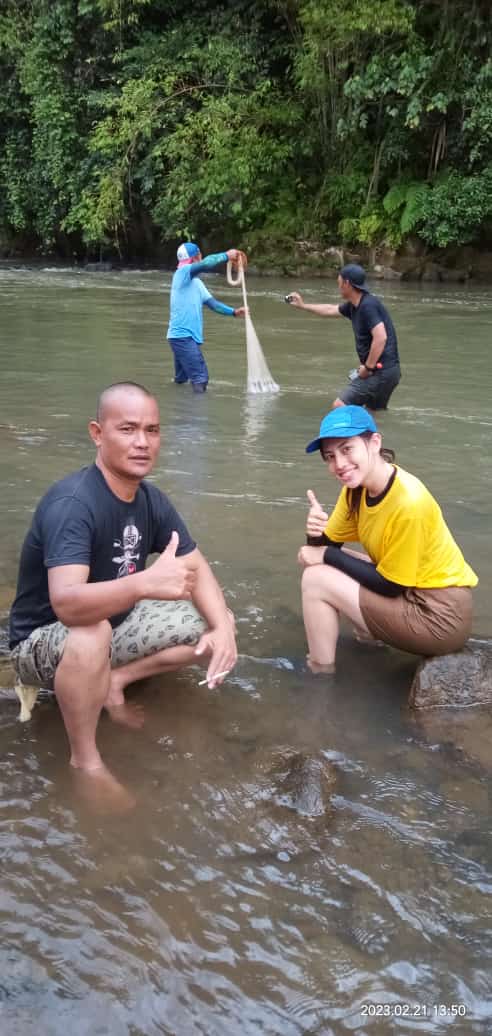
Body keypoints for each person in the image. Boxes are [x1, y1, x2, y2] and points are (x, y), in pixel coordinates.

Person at [9, 382, 237, 798]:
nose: (142, 442)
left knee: (215, 618)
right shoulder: (74, 504)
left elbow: (196, 565)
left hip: (114, 623)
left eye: (152, 430)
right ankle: (85, 761)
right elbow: (67, 605)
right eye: (128, 429)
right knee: (92, 631)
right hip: (42, 641)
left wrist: (223, 629)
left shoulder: (150, 500)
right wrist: (146, 583)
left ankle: (115, 681)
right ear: (97, 433)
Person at [297, 405, 477, 673]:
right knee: (329, 567)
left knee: (315, 581)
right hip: (414, 592)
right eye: (330, 456)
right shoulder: (355, 490)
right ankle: (369, 641)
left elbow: (392, 585)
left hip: (440, 616)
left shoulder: (408, 502)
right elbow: (322, 551)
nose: (339, 464)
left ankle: (320, 672)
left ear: (374, 443)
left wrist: (324, 554)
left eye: (347, 449)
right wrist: (314, 534)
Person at [288, 263, 401, 410]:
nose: (338, 286)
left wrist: (367, 368)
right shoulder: (354, 305)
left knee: (340, 405)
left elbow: (381, 337)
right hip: (390, 372)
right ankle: (372, 434)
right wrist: (303, 306)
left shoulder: (368, 306)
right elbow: (330, 309)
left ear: (347, 283)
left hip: (380, 371)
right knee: (373, 413)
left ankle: (347, 433)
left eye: (339, 282)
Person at [167, 242, 246, 392]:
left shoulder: (196, 283)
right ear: (196, 257)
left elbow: (213, 304)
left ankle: (178, 411)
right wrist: (226, 255)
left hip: (181, 337)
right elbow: (206, 264)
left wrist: (234, 312)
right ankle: (198, 414)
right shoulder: (182, 273)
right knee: (201, 379)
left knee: (181, 381)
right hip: (183, 337)